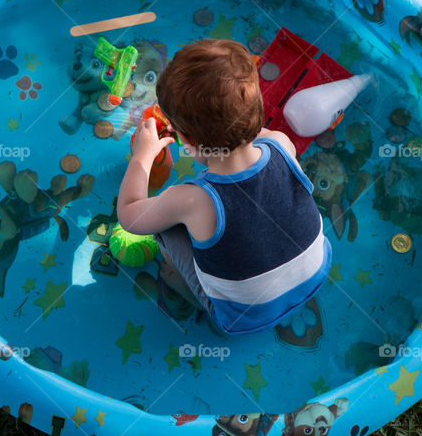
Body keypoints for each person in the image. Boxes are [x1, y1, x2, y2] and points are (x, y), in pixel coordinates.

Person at [116, 39, 331, 334]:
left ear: (187, 142)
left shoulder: (192, 200)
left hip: (242, 317)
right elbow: (245, 133)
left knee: (163, 225)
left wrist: (143, 155)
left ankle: (189, 292)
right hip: (317, 271)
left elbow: (129, 216)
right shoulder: (281, 144)